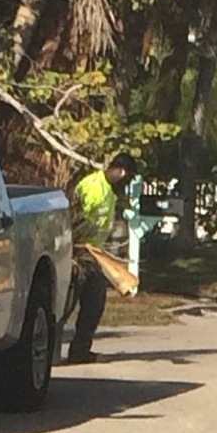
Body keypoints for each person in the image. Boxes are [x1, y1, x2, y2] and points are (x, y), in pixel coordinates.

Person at [68, 152, 137, 364]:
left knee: (94, 302)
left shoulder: (109, 192)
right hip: (76, 252)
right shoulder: (94, 188)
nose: (126, 185)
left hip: (93, 254)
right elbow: (75, 219)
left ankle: (79, 350)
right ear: (121, 172)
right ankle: (48, 353)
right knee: (66, 304)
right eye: (127, 179)